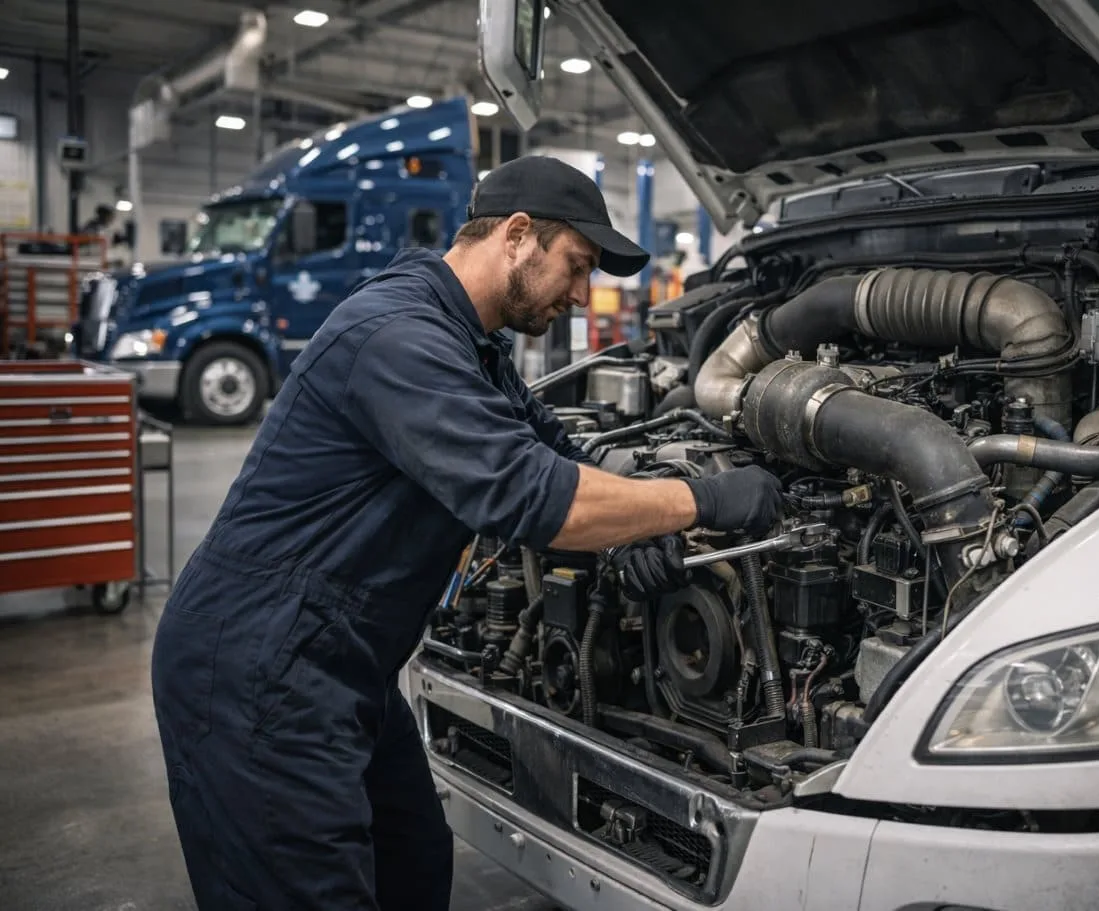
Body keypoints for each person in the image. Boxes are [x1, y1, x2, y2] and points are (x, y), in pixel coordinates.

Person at [148, 154, 784, 911]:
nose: (584, 296)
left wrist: (633, 523)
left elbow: (552, 446)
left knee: (413, 857)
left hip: (342, 663)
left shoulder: (470, 338)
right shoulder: (400, 335)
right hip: (257, 669)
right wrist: (703, 500)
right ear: (516, 236)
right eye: (577, 266)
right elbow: (529, 495)